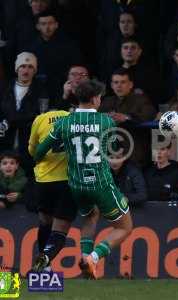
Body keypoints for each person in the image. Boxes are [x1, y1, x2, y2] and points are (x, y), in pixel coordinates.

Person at [34, 79, 133, 279]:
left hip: (77, 186)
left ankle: (85, 256)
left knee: (91, 215)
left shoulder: (64, 123)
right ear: (95, 99)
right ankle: (94, 258)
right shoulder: (106, 121)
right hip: (101, 184)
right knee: (125, 227)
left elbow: (39, 151)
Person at [28, 109, 78, 272]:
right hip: (67, 181)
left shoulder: (40, 119)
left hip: (44, 181)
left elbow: (32, 150)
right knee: (59, 232)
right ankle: (42, 263)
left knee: (45, 222)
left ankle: (45, 269)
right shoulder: (72, 118)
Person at [0, 52, 46, 176]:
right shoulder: (4, 87)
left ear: (35, 70)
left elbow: (41, 114)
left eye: (30, 67)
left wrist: (14, 119)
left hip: (28, 142)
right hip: (5, 140)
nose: (26, 70)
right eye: (23, 66)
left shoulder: (41, 90)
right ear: (17, 68)